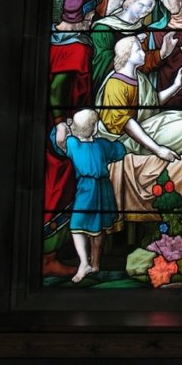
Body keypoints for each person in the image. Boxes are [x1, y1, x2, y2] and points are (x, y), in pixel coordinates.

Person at [44, 0, 97, 277]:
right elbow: (56, 89)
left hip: (53, 122)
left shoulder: (51, 36)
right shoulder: (77, 47)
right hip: (62, 127)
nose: (92, 22)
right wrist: (62, 123)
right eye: (90, 17)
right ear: (82, 17)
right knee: (59, 187)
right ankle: (48, 258)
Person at [51, 109, 126, 283]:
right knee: (85, 227)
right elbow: (121, 148)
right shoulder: (100, 144)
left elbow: (60, 138)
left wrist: (64, 124)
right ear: (95, 128)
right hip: (97, 188)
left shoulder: (73, 144)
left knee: (88, 228)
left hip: (91, 188)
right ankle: (87, 263)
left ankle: (94, 264)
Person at [90, 0, 176, 95]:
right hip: (110, 85)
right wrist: (131, 42)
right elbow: (101, 60)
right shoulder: (104, 28)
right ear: (129, 3)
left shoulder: (144, 30)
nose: (145, 10)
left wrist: (162, 53)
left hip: (136, 85)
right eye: (141, 5)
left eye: (149, 7)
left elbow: (143, 61)